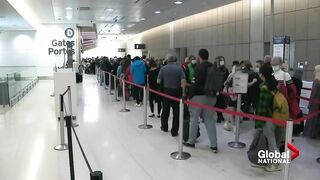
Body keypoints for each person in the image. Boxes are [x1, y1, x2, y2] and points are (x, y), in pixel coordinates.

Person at [254, 64, 288, 172]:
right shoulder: (275, 84)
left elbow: (262, 107)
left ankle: (276, 164)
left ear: (262, 74)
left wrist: (258, 123)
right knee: (273, 141)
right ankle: (269, 161)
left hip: (268, 118)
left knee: (271, 141)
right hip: (275, 115)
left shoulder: (265, 87)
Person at [184, 49, 219, 153]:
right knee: (210, 120)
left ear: (199, 57)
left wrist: (189, 96)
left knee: (194, 119)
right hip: (211, 97)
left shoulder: (199, 67)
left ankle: (191, 141)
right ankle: (214, 145)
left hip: (198, 97)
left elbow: (195, 83)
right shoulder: (214, 66)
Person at [157, 54, 186, 137]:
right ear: (175, 60)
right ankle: (174, 131)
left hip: (166, 92)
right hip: (176, 92)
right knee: (176, 112)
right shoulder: (179, 68)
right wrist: (183, 93)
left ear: (167, 60)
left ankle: (164, 127)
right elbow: (183, 81)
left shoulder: (163, 68)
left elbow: (158, 81)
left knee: (165, 110)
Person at [303, 65, 320, 139]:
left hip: (314, 104)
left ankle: (311, 133)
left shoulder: (316, 81)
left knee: (312, 119)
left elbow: (313, 93)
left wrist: (310, 103)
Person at [214, 56, 229, 123]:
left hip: (223, 88)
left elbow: (227, 78)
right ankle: (218, 116)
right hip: (216, 88)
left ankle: (221, 115)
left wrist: (226, 86)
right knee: (217, 103)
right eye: (221, 61)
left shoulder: (225, 69)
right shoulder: (214, 69)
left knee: (222, 103)